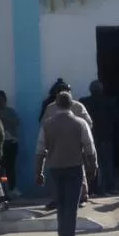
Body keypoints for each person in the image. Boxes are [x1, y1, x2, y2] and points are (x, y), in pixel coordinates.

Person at [35, 92, 97, 236]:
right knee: (71, 204)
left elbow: (40, 150)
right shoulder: (80, 123)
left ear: (56, 105)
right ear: (71, 104)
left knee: (61, 204)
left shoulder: (47, 124)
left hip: (55, 169)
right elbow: (89, 147)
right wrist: (93, 165)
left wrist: (39, 172)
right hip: (74, 167)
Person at [41, 80, 93, 209]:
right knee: (55, 173)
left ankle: (82, 197)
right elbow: (44, 125)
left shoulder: (78, 106)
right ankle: (57, 199)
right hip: (56, 144)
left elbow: (88, 124)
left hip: (74, 143)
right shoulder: (50, 107)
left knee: (79, 171)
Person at [81, 80, 118, 196]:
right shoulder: (109, 101)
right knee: (107, 163)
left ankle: (94, 189)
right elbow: (116, 117)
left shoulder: (84, 102)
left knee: (93, 164)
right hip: (106, 136)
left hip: (91, 137)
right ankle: (110, 187)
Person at [0, 91, 20, 193]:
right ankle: (2, 189)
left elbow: (17, 122)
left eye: (3, 101)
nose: (1, 103)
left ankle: (11, 188)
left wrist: (5, 119)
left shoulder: (10, 111)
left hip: (11, 143)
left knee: (10, 168)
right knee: (0, 169)